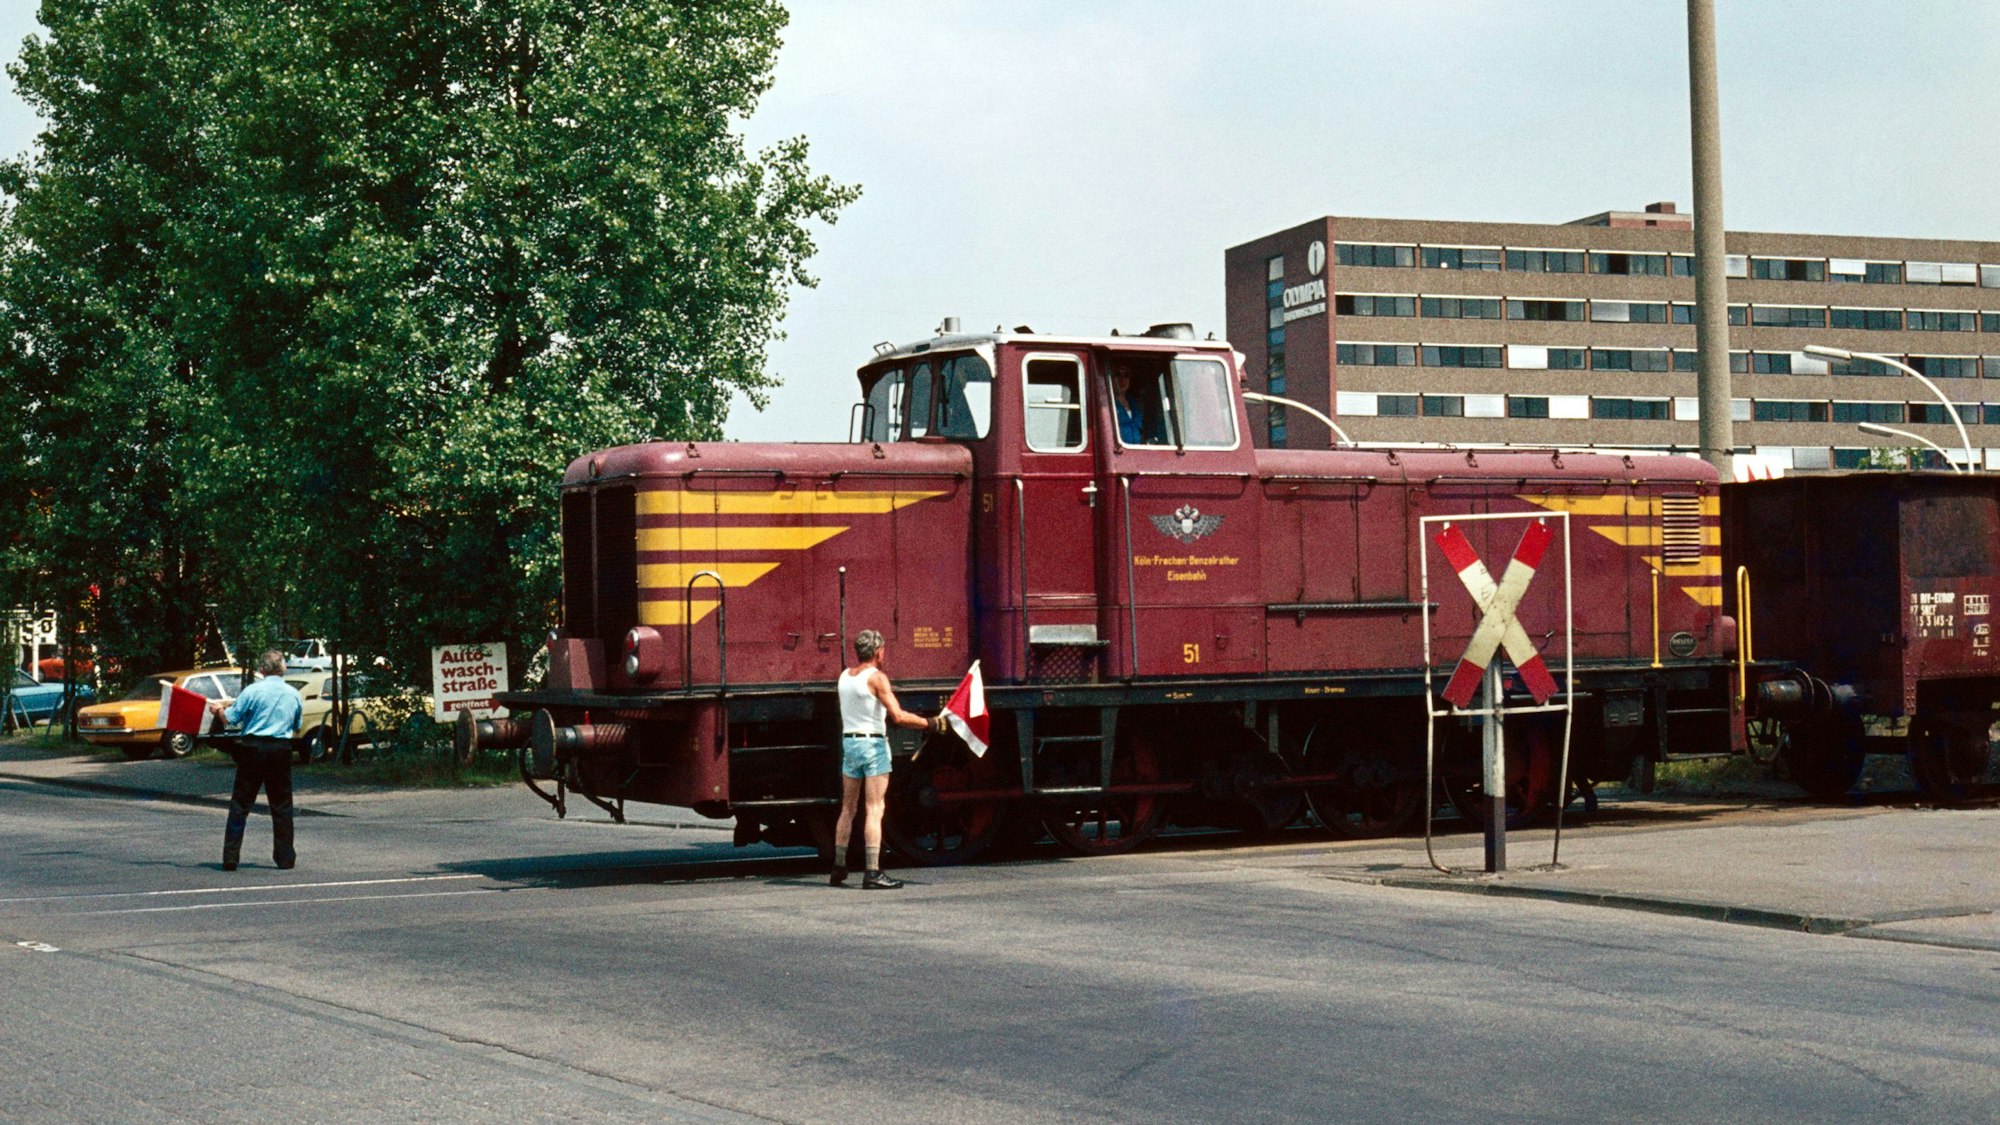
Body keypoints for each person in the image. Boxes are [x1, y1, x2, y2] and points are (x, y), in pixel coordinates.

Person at [832, 629, 946, 890]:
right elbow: (897, 716)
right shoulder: (877, 679)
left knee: (848, 809)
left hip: (849, 743)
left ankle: (838, 867)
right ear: (878, 651)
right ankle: (872, 872)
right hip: (872, 745)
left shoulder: (844, 677)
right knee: (874, 808)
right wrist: (931, 723)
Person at [207, 650, 304, 871]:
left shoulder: (252, 691)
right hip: (280, 749)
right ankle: (285, 857)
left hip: (253, 748)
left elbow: (230, 719)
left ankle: (231, 856)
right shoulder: (293, 694)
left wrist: (219, 710)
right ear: (283, 668)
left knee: (241, 803)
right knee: (281, 805)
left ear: (261, 669)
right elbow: (297, 725)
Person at [1111, 363, 1148, 445]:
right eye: (1118, 374)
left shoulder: (1136, 402)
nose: (1122, 379)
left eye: (1126, 375)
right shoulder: (1108, 403)